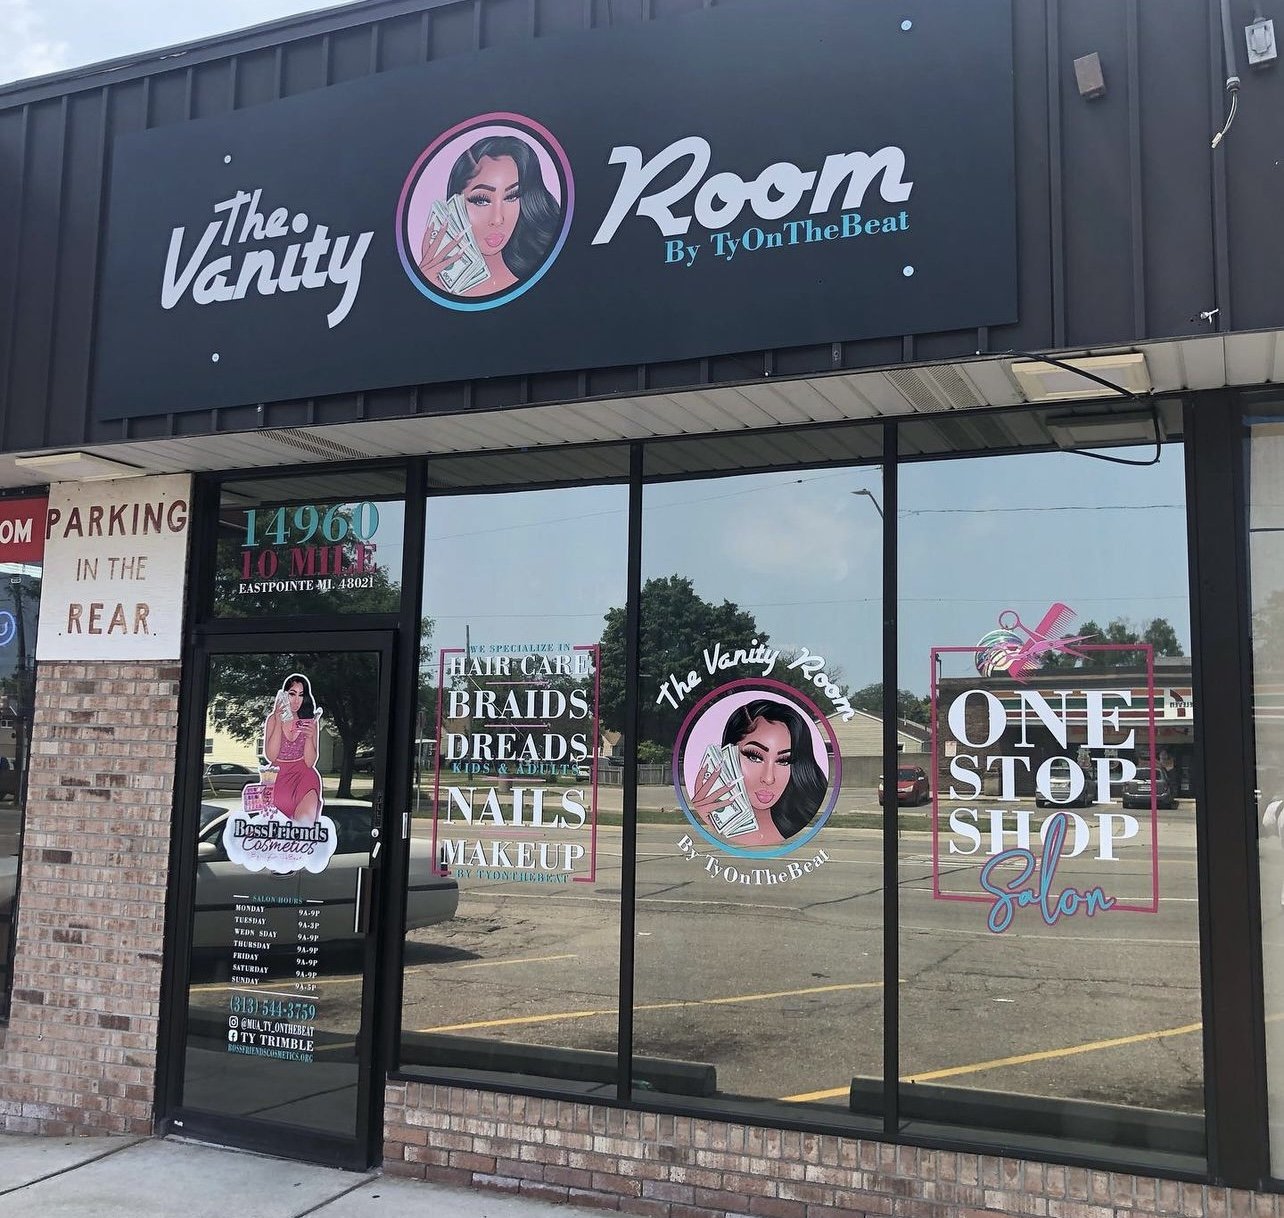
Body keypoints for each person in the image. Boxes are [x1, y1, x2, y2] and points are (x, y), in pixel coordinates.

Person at [419, 135, 562, 297]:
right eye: (481, 200)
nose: (497, 219)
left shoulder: (544, 271)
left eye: (511, 196)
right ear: (455, 204)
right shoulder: (436, 284)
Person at [689, 698, 828, 846]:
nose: (768, 779)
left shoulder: (800, 828)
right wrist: (703, 820)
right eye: (754, 757)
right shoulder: (705, 825)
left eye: (784, 760)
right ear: (726, 755)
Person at [262, 673, 323, 826]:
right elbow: (271, 755)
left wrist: (309, 737)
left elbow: (310, 762)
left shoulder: (309, 722)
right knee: (276, 828)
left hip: (303, 774)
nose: (296, 700)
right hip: (278, 775)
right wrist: (277, 720)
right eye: (292, 694)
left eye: (301, 695)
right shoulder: (272, 719)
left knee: (303, 827)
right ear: (284, 695)